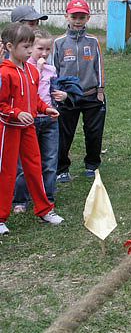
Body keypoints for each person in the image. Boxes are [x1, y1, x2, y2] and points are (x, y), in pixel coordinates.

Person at [0, 23, 65, 235]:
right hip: (8, 130)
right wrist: (16, 113)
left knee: (35, 168)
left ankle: (45, 209)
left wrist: (45, 108)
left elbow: (34, 98)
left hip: (28, 128)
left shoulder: (32, 71)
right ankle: (1, 217)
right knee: (7, 172)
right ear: (10, 46)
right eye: (26, 47)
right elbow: (1, 105)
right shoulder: (4, 73)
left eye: (31, 47)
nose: (30, 51)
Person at [12, 29, 68, 214]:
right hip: (29, 121)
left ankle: (47, 198)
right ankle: (21, 199)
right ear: (30, 49)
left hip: (49, 120)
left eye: (47, 49)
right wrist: (37, 68)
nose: (44, 53)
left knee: (50, 161)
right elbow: (26, 89)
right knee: (24, 163)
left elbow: (54, 90)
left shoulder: (51, 70)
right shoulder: (23, 69)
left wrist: (62, 96)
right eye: (39, 49)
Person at [53, 0, 106, 182]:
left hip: (91, 95)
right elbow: (54, 70)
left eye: (81, 17)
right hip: (67, 97)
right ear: (66, 16)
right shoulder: (59, 42)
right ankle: (62, 168)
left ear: (88, 18)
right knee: (64, 133)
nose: (77, 21)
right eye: (74, 16)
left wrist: (100, 90)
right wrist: (56, 93)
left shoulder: (93, 41)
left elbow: (99, 66)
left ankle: (92, 165)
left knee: (93, 132)